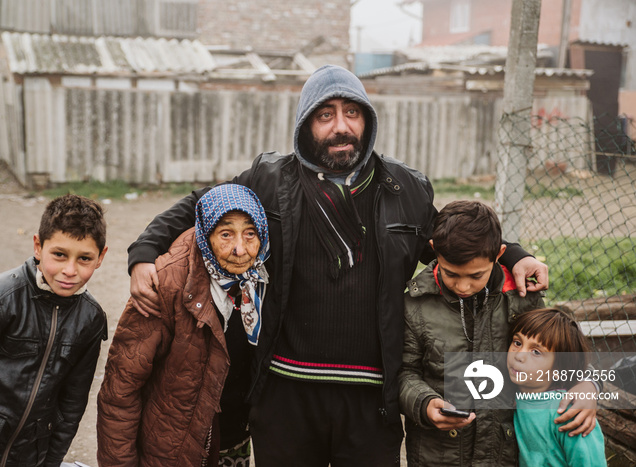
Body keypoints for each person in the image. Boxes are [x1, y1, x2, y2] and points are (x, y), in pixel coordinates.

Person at [125, 65, 549, 465]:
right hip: (285, 390)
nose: (341, 126)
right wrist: (144, 253)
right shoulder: (268, 180)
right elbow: (201, 205)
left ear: (368, 121)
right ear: (305, 125)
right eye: (325, 115)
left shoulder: (406, 190)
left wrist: (513, 253)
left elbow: (452, 238)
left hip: (370, 398)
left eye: (351, 113)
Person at [399, 201, 598, 466]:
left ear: (499, 254)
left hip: (504, 453)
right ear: (434, 249)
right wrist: (424, 403)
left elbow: (558, 352)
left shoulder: (521, 298)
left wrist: (588, 385)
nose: (463, 286)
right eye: (451, 274)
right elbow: (403, 372)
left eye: (476, 275)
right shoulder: (415, 306)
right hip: (437, 454)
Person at [97, 184, 269, 466]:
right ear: (205, 233)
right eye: (225, 234)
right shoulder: (166, 285)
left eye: (250, 233)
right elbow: (120, 391)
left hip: (234, 441)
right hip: (173, 451)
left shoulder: (261, 283)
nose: (240, 249)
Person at [0, 194, 108, 467]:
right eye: (60, 255)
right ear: (38, 247)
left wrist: (50, 462)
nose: (69, 270)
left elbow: (71, 406)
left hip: (30, 458)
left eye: (84, 258)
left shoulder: (91, 318)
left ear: (101, 257)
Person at [508, 308, 607, 467]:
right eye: (517, 343)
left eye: (536, 352)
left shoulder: (570, 411)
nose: (519, 355)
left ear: (558, 370)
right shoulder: (513, 399)